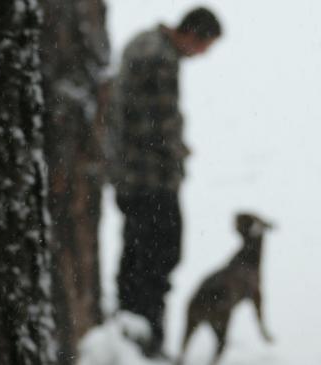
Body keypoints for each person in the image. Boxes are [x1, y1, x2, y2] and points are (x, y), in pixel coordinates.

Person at [109, 7, 222, 357]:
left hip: (128, 175)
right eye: (205, 46)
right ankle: (147, 338)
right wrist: (177, 152)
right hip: (151, 180)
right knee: (158, 257)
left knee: (135, 257)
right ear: (193, 34)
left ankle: (130, 332)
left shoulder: (142, 43)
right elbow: (158, 126)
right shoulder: (160, 58)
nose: (203, 55)